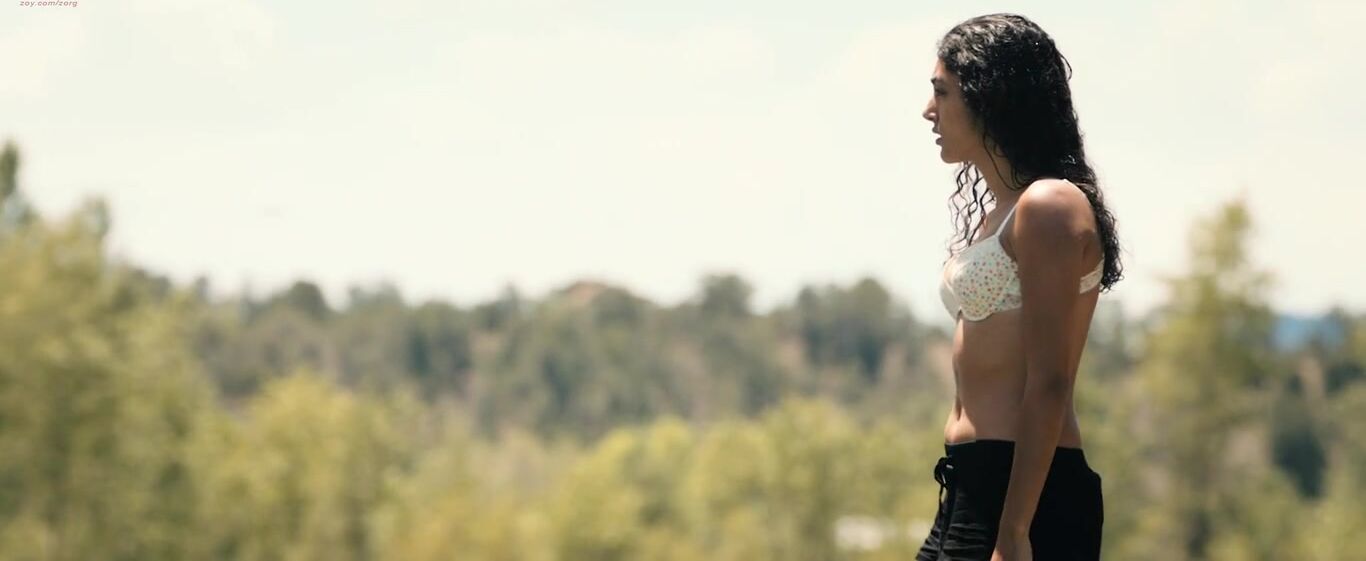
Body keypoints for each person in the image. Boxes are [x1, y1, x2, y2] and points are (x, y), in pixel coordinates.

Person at [914, 13, 1124, 561]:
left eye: (942, 91)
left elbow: (1050, 380)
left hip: (1027, 498)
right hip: (968, 488)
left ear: (989, 94)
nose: (928, 110)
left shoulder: (1049, 205)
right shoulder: (1001, 213)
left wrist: (1014, 533)